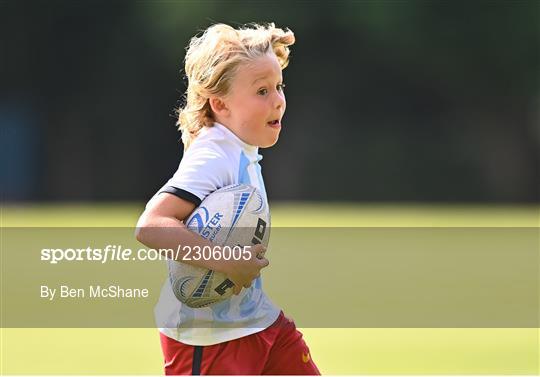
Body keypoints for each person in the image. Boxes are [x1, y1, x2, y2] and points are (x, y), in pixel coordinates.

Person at [136, 22, 320, 375]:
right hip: (209, 340)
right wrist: (227, 259)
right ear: (220, 104)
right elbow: (151, 226)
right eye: (262, 91)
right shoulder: (213, 155)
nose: (278, 100)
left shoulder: (240, 147)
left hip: (259, 322)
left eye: (279, 86)